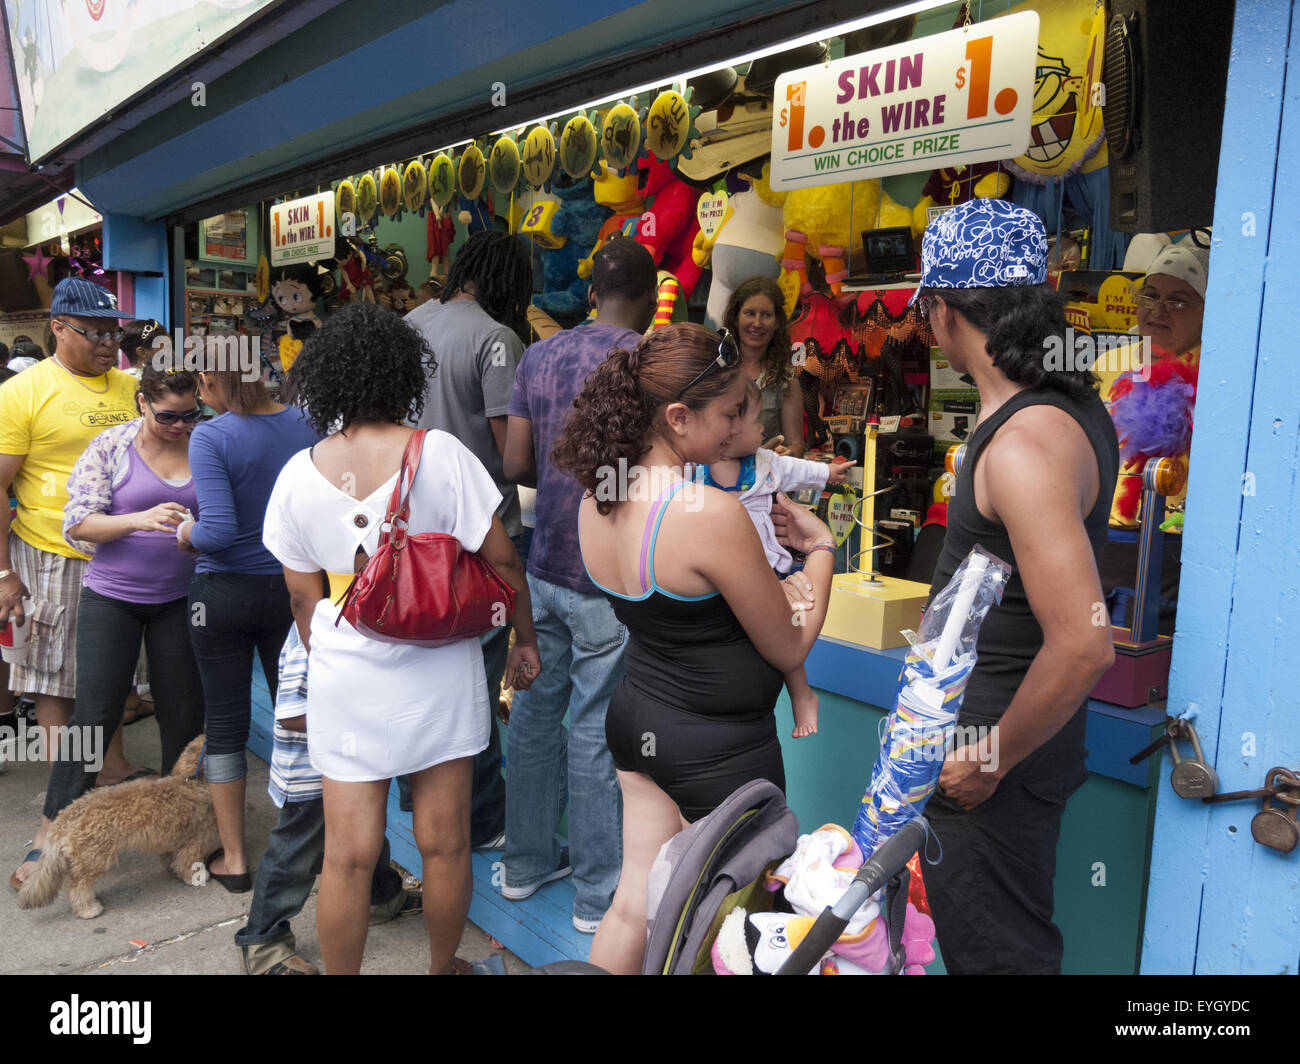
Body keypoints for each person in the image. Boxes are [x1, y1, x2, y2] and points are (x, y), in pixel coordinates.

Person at [263, 301, 540, 975]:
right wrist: (522, 640)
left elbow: (304, 598)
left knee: (348, 854)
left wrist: (334, 645)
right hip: (437, 672)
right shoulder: (439, 455)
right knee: (444, 844)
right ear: (403, 374)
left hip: (345, 679)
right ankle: (443, 968)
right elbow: (502, 560)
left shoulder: (298, 474)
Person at [552, 321, 836, 975]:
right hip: (719, 749)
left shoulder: (597, 501)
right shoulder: (706, 513)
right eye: (731, 412)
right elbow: (788, 642)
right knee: (734, 931)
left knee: (631, 904)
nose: (742, 426)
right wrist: (818, 554)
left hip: (640, 723)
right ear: (678, 417)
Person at [909, 198, 1119, 974]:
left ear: (942, 311)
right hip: (993, 748)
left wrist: (989, 759)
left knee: (1000, 960)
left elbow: (1084, 643)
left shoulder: (1026, 441)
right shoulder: (1064, 404)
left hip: (988, 763)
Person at [499, 237, 655, 932]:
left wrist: (562, 483)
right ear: (650, 300)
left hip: (543, 566)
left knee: (534, 716)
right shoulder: (649, 361)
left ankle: (523, 866)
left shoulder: (539, 355)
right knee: (594, 729)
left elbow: (516, 462)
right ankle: (597, 898)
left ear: (591, 294)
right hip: (610, 576)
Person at [1, 278, 141, 889]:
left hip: (125, 553)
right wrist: (3, 572)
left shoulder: (131, 386)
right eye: (96, 333)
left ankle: (108, 768)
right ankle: (74, 791)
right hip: (53, 553)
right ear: (58, 327)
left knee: (108, 674)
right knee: (56, 675)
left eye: (115, 332)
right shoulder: (24, 392)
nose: (110, 343)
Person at [406, 229, 534, 850]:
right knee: (477, 689)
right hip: (480, 540)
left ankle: (417, 799)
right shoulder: (495, 337)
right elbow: (513, 457)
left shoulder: (409, 323)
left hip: (407, 535)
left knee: (424, 675)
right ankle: (482, 821)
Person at [176, 363, 320, 893]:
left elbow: (217, 530)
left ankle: (234, 858)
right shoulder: (308, 422)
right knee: (303, 716)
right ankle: (308, 847)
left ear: (211, 381)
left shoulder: (211, 435)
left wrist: (185, 532)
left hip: (224, 596)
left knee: (226, 724)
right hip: (293, 592)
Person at [39, 365, 206, 824]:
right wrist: (138, 519)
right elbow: (76, 523)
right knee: (94, 712)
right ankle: (54, 826)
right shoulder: (111, 446)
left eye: (190, 415)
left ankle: (179, 826)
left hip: (179, 598)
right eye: (167, 417)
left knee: (183, 713)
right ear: (142, 403)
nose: (179, 426)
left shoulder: (206, 444)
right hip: (112, 597)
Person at [234, 623, 420, 976]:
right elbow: (290, 714)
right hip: (310, 774)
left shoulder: (350, 620)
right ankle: (262, 942)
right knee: (295, 853)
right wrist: (366, 720)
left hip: (349, 765)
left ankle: (380, 897)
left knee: (365, 837)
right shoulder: (315, 630)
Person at [692, 376, 855, 738]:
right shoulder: (697, 469)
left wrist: (827, 472)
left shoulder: (765, 464)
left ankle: (802, 694)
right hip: (721, 569)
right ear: (728, 429)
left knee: (787, 630)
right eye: (755, 421)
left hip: (767, 565)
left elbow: (797, 470)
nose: (764, 427)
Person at [722, 276, 805, 457]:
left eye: (766, 315)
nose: (757, 323)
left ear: (777, 323)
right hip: (716, 479)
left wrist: (786, 454)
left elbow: (796, 445)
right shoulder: (717, 368)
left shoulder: (786, 379)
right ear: (735, 318)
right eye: (750, 313)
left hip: (764, 480)